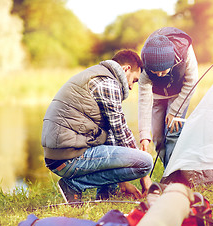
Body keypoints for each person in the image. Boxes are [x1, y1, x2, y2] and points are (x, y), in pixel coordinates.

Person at [41, 49, 153, 203]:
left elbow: (112, 136)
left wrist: (123, 183)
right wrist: (144, 176)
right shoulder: (108, 83)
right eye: (134, 80)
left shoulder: (97, 75)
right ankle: (74, 185)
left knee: (112, 143)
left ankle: (107, 191)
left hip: (59, 156)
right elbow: (121, 131)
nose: (132, 87)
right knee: (145, 162)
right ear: (126, 69)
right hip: (68, 158)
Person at [138, 27, 199, 168]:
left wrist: (174, 111)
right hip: (157, 96)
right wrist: (144, 135)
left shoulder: (185, 51)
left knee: (172, 133)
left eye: (163, 71)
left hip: (179, 94)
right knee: (157, 138)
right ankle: (168, 168)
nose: (159, 75)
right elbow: (144, 100)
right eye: (155, 72)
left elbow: (192, 82)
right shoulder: (145, 61)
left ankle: (172, 172)